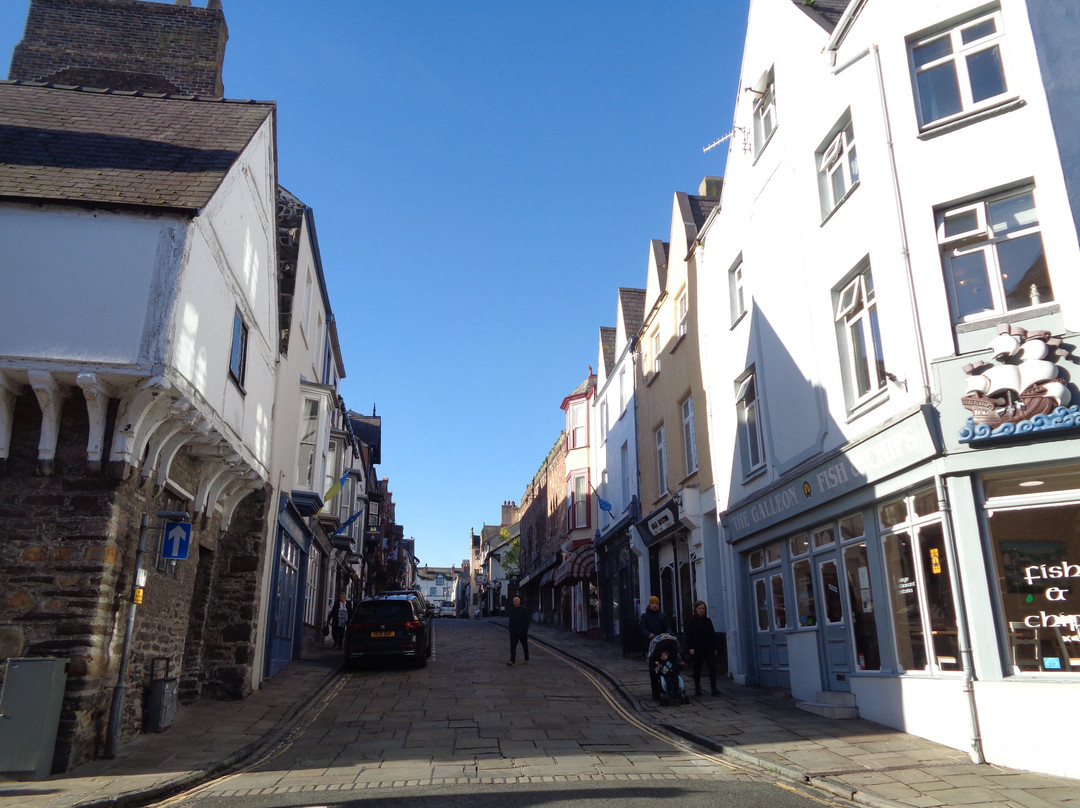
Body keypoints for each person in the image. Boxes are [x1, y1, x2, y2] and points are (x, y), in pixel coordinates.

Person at [687, 600, 721, 696]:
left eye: (703, 608)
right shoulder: (692, 621)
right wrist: (691, 647)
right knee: (697, 668)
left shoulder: (708, 621)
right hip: (697, 648)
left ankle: (713, 688)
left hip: (708, 647)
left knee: (712, 668)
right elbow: (689, 636)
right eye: (699, 608)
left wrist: (715, 648)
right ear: (695, 609)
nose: (701, 610)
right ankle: (697, 688)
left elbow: (712, 634)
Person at [506, 595, 531, 665]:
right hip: (513, 631)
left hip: (522, 631)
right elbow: (510, 620)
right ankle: (512, 660)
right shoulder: (511, 610)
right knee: (512, 647)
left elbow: (527, 620)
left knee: (525, 646)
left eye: (516, 601)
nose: (515, 603)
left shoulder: (524, 609)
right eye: (514, 601)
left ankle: (526, 659)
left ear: (519, 602)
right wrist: (510, 629)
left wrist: (525, 629)